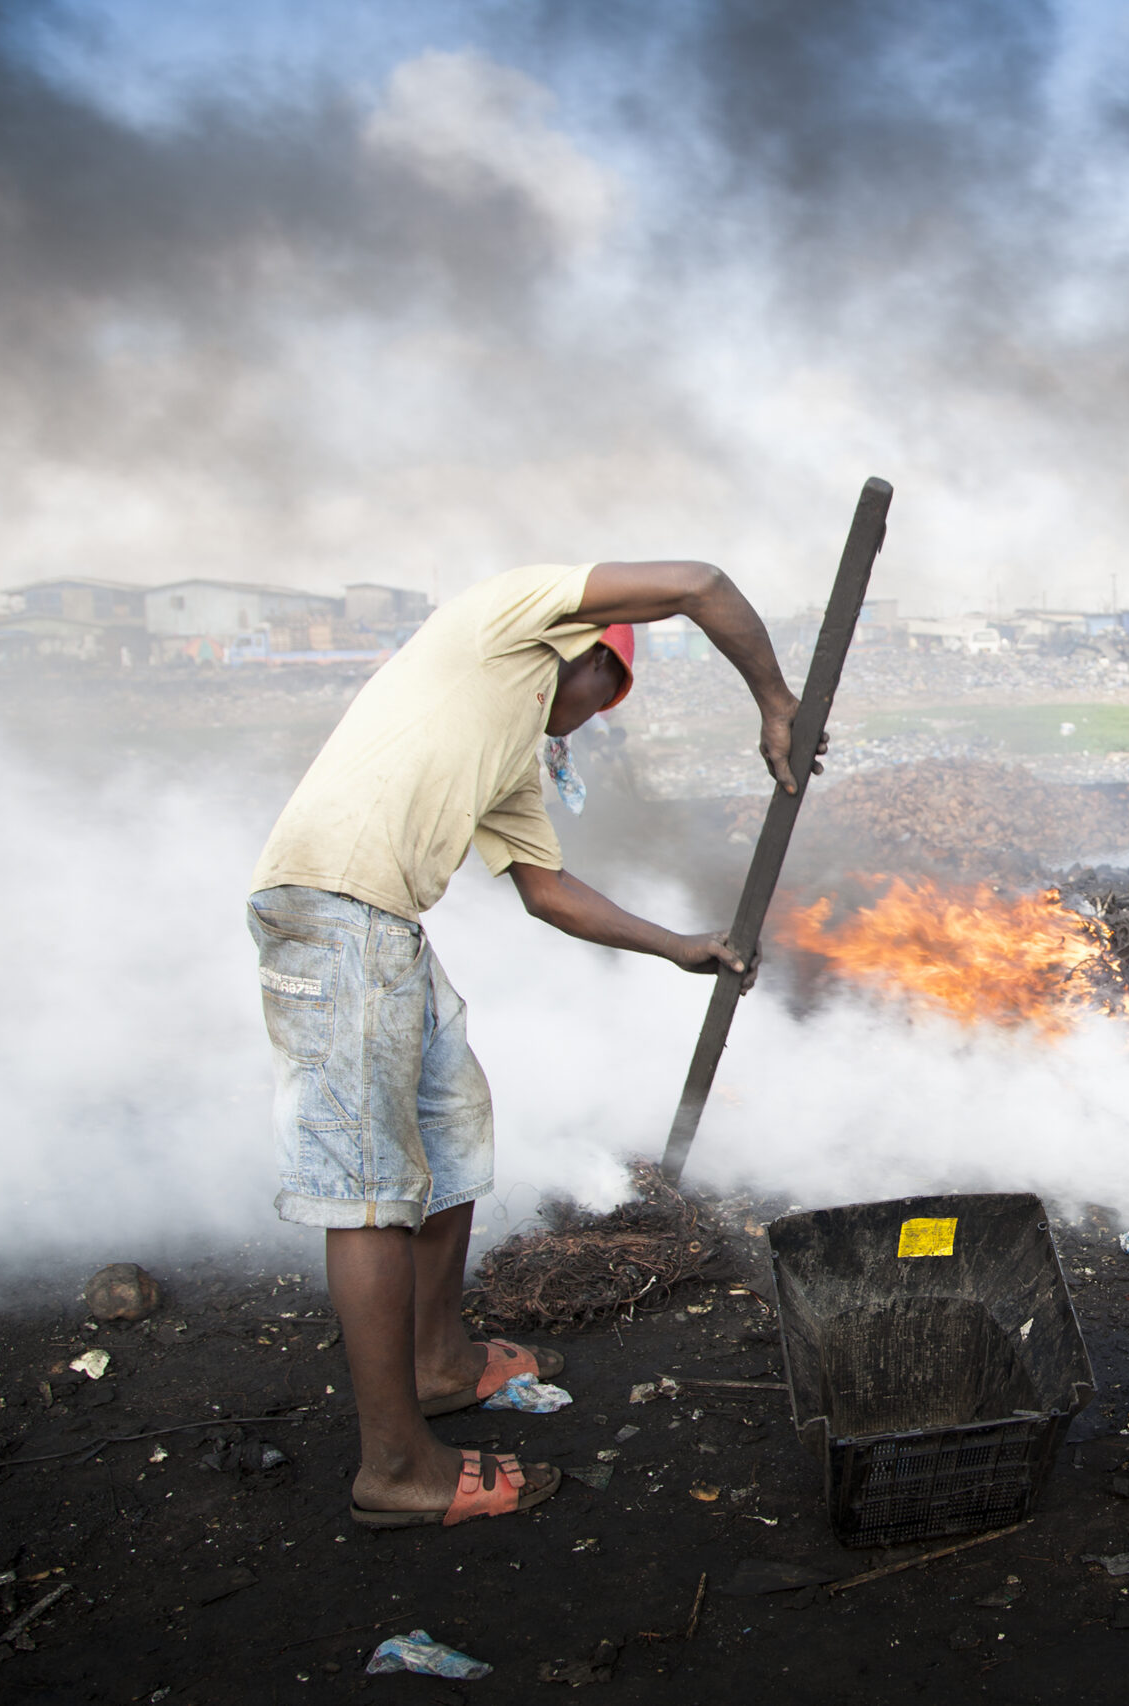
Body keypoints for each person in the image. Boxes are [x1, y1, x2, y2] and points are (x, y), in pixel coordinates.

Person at [248, 559, 809, 1528]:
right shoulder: (495, 623)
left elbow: (549, 892)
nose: (596, 717)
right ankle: (396, 1466)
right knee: (371, 1189)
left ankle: (438, 1361)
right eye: (606, 692)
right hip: (333, 914)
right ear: (587, 652)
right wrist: (776, 701)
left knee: (453, 1136)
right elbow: (701, 584)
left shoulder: (511, 750)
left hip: (388, 934)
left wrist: (681, 946)